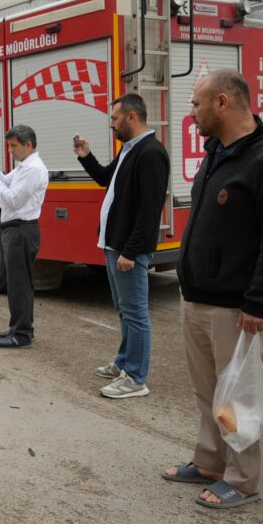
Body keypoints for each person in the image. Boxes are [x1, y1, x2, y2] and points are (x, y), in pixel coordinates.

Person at [161, 69, 263, 509]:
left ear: (222, 103)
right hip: (200, 296)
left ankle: (244, 481)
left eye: (196, 104)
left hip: (240, 305)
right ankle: (210, 463)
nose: (191, 115)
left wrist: (259, 299)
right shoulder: (218, 151)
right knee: (209, 393)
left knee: (239, 398)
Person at [74, 94, 170, 399]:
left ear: (131, 117)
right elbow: (105, 179)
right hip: (114, 244)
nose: (111, 124)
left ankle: (136, 378)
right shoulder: (130, 150)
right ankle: (124, 363)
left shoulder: (151, 153)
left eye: (114, 119)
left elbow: (149, 209)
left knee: (136, 313)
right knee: (125, 310)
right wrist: (86, 156)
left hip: (128, 249)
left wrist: (131, 251)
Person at [0, 125, 48, 349]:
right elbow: (7, 182)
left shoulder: (33, 169)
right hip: (17, 230)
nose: (10, 150)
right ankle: (19, 328)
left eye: (14, 146)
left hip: (21, 230)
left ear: (28, 145)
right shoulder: (25, 167)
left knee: (20, 284)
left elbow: (13, 199)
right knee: (19, 283)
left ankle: (21, 334)